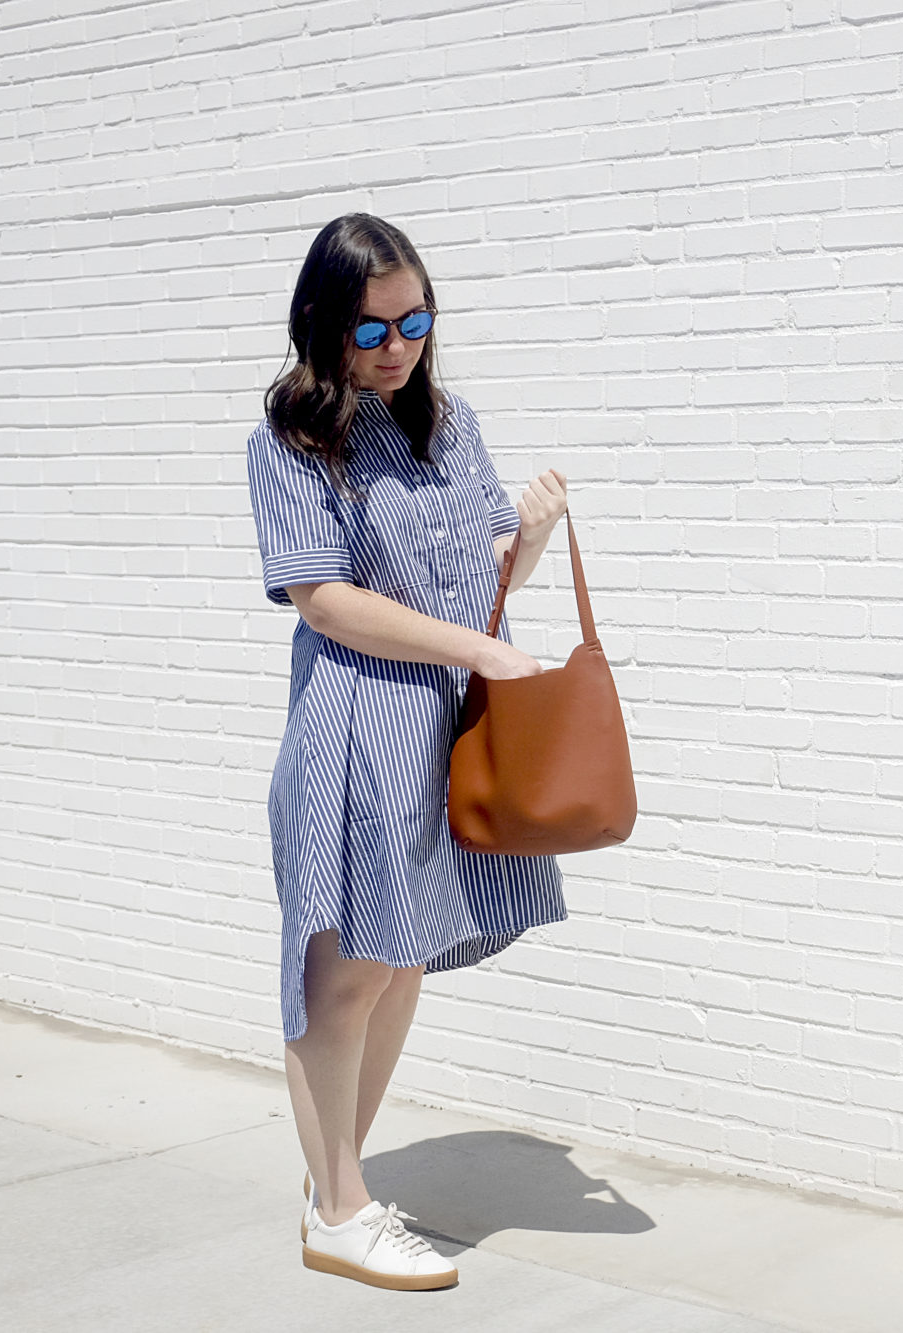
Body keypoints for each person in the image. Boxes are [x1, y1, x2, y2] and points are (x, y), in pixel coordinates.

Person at [244, 213, 569, 1290]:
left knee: (400, 959)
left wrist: (529, 543)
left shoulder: (451, 423)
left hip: (444, 727)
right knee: (341, 975)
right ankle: (339, 1204)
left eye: (414, 320)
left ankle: (336, 1180)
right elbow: (326, 600)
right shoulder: (291, 443)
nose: (395, 345)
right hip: (355, 724)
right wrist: (482, 641)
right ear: (323, 325)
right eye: (370, 325)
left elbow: (476, 581)